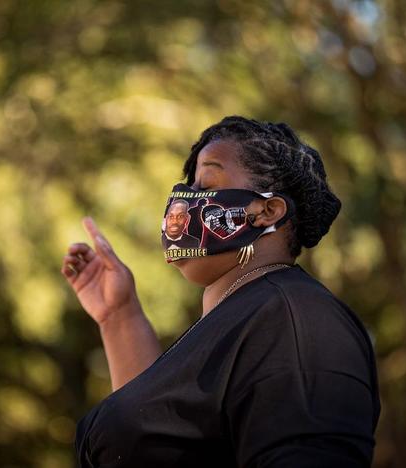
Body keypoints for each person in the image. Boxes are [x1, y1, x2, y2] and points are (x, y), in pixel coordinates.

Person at [61, 116, 380, 467]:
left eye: (207, 182)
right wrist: (119, 315)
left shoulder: (294, 317)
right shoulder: (236, 319)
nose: (185, 201)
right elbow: (153, 436)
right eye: (190, 184)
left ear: (267, 211)